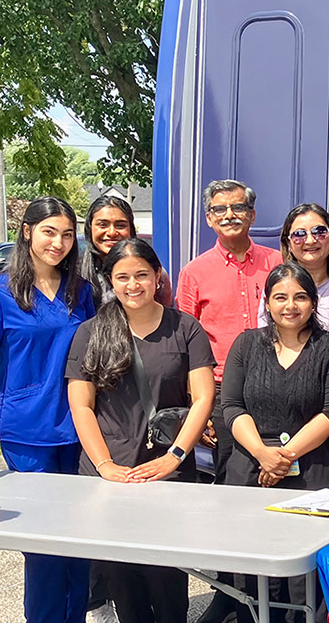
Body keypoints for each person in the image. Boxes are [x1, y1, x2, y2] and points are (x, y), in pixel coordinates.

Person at [66, 238, 214, 623]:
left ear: (157, 276)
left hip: (168, 471)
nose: (133, 285)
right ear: (110, 281)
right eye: (123, 277)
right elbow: (81, 404)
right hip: (110, 474)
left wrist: (175, 456)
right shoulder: (91, 332)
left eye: (142, 275)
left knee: (166, 583)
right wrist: (104, 466)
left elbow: (202, 398)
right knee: (122, 582)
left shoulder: (185, 328)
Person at [0, 197, 95, 623]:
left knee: (80, 543)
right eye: (49, 232)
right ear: (27, 231)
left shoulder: (82, 292)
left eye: (67, 234)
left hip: (81, 429)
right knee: (44, 547)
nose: (59, 243)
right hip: (28, 432)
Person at [175, 178, 281, 623]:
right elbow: (185, 344)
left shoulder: (277, 262)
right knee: (233, 493)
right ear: (208, 218)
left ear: (253, 215)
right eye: (220, 209)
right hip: (221, 396)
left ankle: (278, 588)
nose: (230, 215)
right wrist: (202, 411)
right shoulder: (194, 272)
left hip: (278, 390)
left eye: (239, 207)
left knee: (281, 484)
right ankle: (231, 590)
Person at [221, 262, 329, 623]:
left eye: (300, 297)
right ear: (267, 302)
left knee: (303, 572)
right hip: (250, 469)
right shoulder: (246, 344)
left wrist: (286, 456)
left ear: (313, 303)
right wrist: (263, 454)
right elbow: (231, 405)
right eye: (281, 297)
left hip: (310, 471)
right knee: (253, 567)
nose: (290, 306)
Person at [259, 203, 329, 335]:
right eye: (299, 234)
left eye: (319, 232)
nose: (310, 241)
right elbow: (266, 340)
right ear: (288, 244)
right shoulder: (275, 290)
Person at [81, 194, 174, 307]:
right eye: (102, 225)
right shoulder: (75, 273)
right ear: (89, 228)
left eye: (120, 225)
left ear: (131, 229)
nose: (111, 232)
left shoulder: (154, 274)